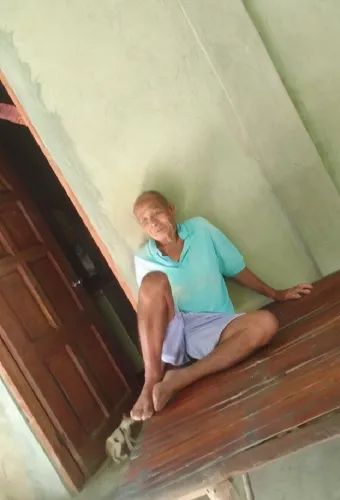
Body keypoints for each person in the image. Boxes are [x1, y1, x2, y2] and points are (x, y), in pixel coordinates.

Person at [131, 190, 312, 421]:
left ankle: (182, 378)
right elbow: (149, 311)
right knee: (153, 282)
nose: (152, 223)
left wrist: (276, 293)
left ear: (171, 209)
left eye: (156, 213)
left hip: (212, 325)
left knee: (266, 323)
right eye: (144, 220)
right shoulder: (143, 258)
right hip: (173, 326)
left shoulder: (200, 229)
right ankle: (150, 382)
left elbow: (235, 268)